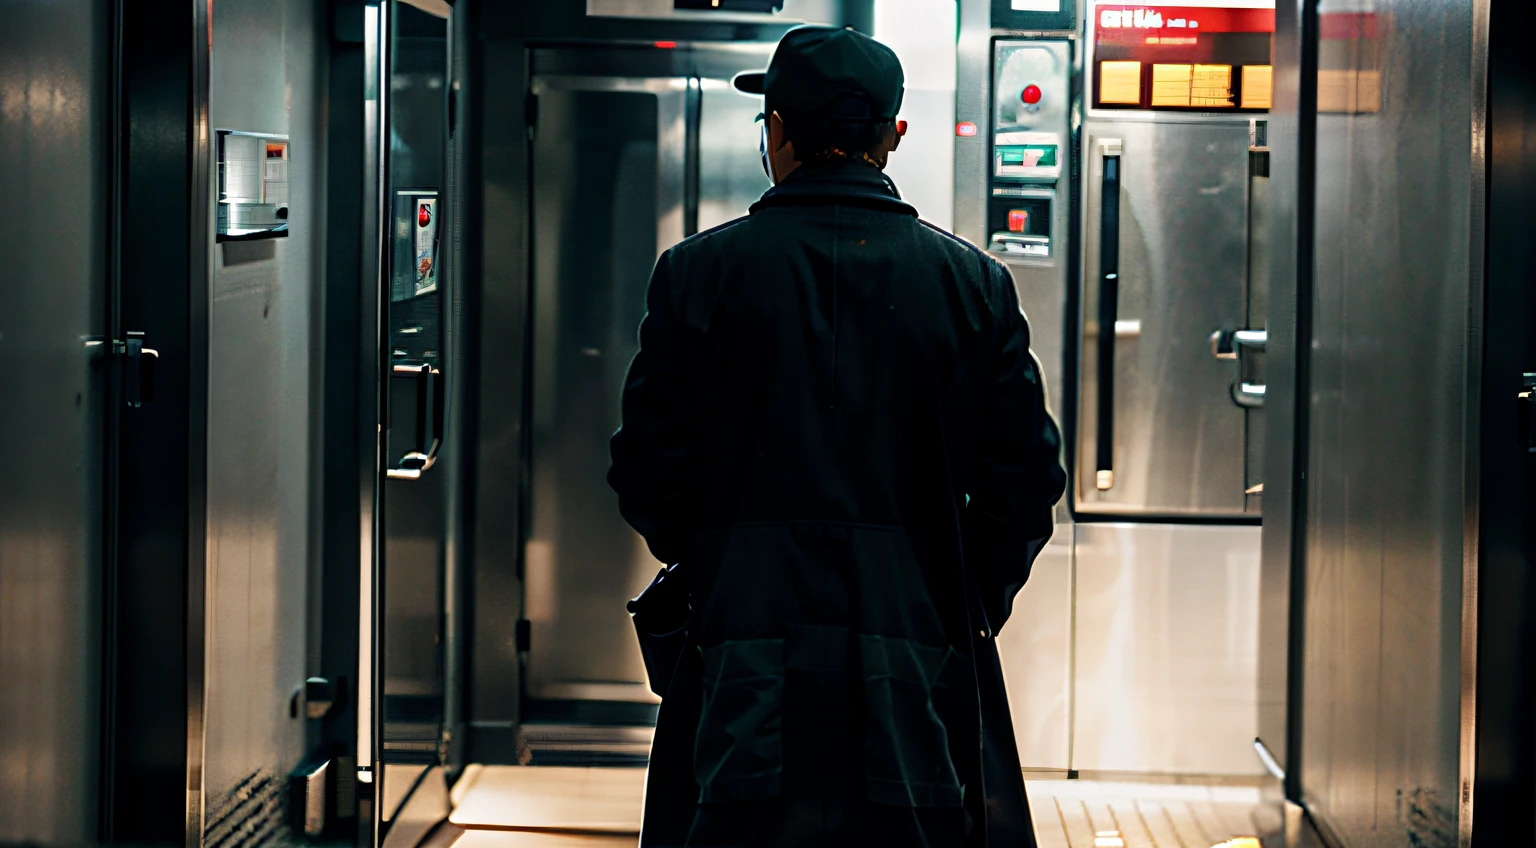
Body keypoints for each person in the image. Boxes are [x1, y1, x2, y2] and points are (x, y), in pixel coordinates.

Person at [609, 25, 1066, 848]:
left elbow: (644, 469)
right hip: (915, 656)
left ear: (775, 133)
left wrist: (723, 558)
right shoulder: (972, 287)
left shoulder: (697, 275)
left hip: (739, 649)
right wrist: (957, 599)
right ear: (892, 138)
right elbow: (1026, 485)